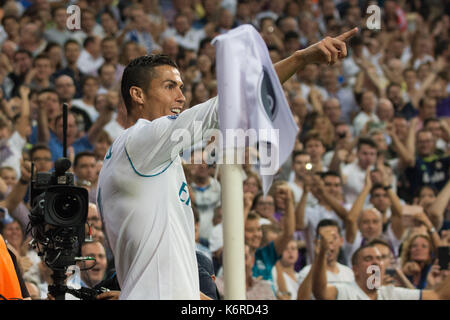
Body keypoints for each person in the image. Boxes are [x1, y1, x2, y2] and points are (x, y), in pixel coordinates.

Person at [97, 28, 358, 300]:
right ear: (138, 95)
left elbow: (165, 268)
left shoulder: (147, 158)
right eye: (169, 86)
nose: (181, 97)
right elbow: (233, 103)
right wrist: (301, 58)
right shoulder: (139, 140)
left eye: (181, 88)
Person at [312, 237, 450, 300]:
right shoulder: (344, 291)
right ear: (355, 270)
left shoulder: (392, 294)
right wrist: (321, 255)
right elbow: (320, 291)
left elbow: (438, 296)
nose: (376, 262)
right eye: (368, 259)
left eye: (379, 259)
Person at [297, 219, 354, 300]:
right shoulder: (306, 272)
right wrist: (319, 256)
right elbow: (301, 298)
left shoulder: (349, 273)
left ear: (341, 241)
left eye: (333, 237)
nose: (328, 242)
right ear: (316, 242)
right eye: (323, 238)